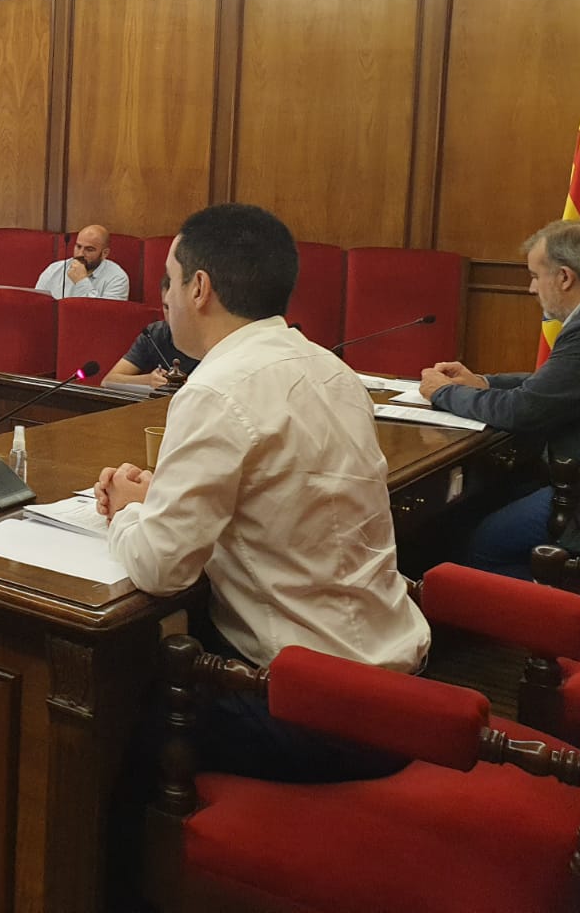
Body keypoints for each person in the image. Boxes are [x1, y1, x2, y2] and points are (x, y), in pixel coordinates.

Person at [94, 204, 427, 782]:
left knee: (109, 718)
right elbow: (276, 500)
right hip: (401, 687)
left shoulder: (215, 390)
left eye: (169, 281)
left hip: (318, 713)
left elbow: (160, 568)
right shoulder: (334, 371)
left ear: (199, 288)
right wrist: (160, 499)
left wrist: (125, 512)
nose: (164, 299)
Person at [418, 220, 580, 576]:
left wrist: (444, 392)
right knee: (474, 507)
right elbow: (562, 382)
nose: (531, 288)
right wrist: (484, 382)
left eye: (534, 276)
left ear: (564, 277)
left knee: (480, 545)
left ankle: (538, 608)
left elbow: (523, 410)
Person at [105, 274, 203, 388]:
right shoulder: (153, 334)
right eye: (166, 307)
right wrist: (148, 380)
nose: (171, 316)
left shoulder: (213, 338)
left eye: (178, 308)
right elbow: (108, 381)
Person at [35, 224, 129, 300]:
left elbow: (104, 314)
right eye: (78, 246)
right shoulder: (53, 270)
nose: (80, 254)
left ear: (105, 253)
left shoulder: (117, 278)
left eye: (89, 249)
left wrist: (81, 281)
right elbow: (37, 305)